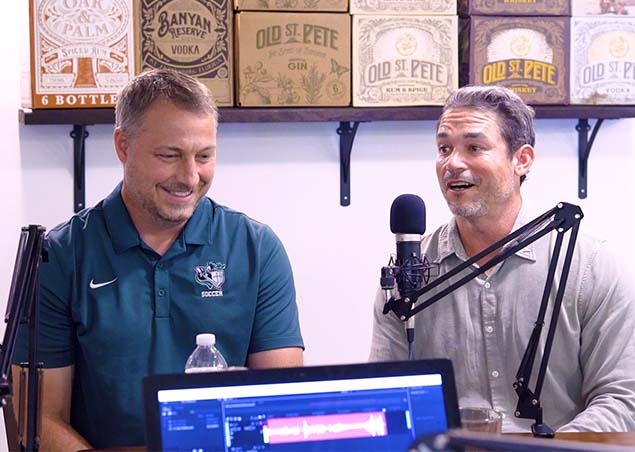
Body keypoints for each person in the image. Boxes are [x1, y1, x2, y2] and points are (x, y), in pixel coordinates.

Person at [12, 69, 304, 450]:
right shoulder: (61, 255)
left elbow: (282, 409)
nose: (189, 177)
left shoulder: (257, 249)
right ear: (123, 146)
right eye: (170, 155)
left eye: (204, 156)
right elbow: (37, 420)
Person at [369, 85, 635, 432]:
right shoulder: (407, 275)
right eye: (444, 148)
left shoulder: (591, 267)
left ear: (521, 160)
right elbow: (384, 397)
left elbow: (622, 399)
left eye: (474, 147)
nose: (453, 163)